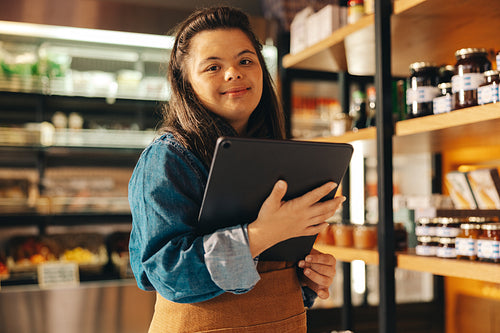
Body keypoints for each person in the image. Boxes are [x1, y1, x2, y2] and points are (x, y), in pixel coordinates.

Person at [128, 6, 346, 333]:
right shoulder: (168, 158)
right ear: (185, 82)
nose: (233, 73)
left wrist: (307, 275)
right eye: (213, 66)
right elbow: (167, 273)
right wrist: (260, 235)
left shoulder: (279, 152)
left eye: (245, 60)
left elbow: (269, 270)